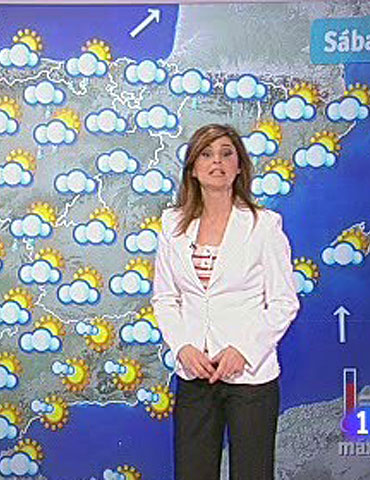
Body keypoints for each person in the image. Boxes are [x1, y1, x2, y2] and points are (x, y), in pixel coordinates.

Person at [152, 123, 300, 480]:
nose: (216, 162)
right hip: (195, 374)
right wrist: (183, 347)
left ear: (239, 166)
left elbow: (283, 302)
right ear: (193, 168)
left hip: (250, 378)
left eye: (225, 154)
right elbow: (165, 298)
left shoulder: (264, 226)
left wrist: (244, 351)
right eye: (206, 154)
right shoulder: (172, 226)